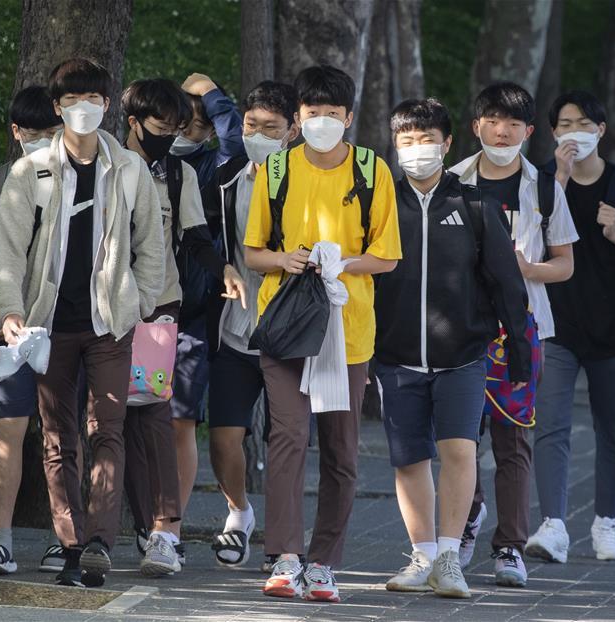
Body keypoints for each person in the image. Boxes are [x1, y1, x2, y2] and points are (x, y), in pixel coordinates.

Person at [0, 58, 166, 588]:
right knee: (57, 437)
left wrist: (140, 303)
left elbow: (150, 248)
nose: (82, 109)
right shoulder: (31, 170)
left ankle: (98, 542)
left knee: (107, 429)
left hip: (109, 323)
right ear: (57, 107)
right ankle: (69, 543)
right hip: (48, 325)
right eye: (71, 101)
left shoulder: (129, 168)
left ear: (107, 105)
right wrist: (12, 311)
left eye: (91, 99)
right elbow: (10, 249)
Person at [243, 64, 402, 602]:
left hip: (348, 327)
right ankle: (285, 555)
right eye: (312, 114)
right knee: (286, 436)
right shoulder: (278, 169)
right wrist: (285, 259)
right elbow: (252, 250)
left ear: (349, 117)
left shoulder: (372, 170)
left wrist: (342, 264)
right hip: (286, 322)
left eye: (332, 114)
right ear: (298, 120)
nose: (322, 122)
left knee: (341, 449)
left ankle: (325, 562)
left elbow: (387, 256)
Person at [377, 98, 532, 599]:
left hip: (464, 354)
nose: (417, 150)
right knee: (409, 459)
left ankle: (449, 556)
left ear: (447, 144)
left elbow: (508, 284)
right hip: (394, 355)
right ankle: (422, 555)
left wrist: (521, 353)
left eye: (427, 140)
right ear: (394, 146)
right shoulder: (379, 205)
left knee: (460, 450)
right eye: (407, 141)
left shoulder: (476, 206)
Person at [449, 82, 578, 587]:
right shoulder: (452, 179)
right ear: (476, 125)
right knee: (459, 435)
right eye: (492, 121)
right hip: (457, 327)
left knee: (513, 438)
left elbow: (565, 265)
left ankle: (509, 546)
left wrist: (524, 268)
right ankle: (464, 521)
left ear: (528, 132)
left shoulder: (543, 187)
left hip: (523, 328)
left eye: (513, 124)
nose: (502, 132)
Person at [526, 91, 615, 564]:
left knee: (613, 428)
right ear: (552, 133)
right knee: (551, 425)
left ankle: (607, 522)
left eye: (583, 123)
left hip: (614, 326)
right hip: (554, 325)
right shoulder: (538, 180)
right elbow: (524, 238)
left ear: (600, 130)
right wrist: (558, 180)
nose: (573, 132)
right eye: (564, 124)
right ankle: (554, 524)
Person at [121, 78, 246, 577]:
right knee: (111, 424)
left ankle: (165, 530)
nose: (173, 134)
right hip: (105, 318)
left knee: (163, 417)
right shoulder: (105, 165)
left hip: (165, 316)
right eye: (165, 125)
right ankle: (124, 526)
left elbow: (195, 238)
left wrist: (225, 270)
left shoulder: (189, 172)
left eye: (182, 125)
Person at [0, 86, 66, 576]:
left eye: (52, 132)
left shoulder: (83, 182)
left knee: (62, 432)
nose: (43, 141)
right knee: (8, 428)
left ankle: (62, 539)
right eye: (34, 134)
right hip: (9, 328)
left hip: (70, 328)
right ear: (16, 133)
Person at [201, 80, 299, 570]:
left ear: (292, 131)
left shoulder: (305, 183)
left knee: (287, 441)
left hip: (290, 333)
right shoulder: (228, 176)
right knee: (223, 437)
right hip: (236, 327)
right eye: (251, 125)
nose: (259, 134)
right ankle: (239, 512)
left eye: (271, 128)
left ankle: (282, 544)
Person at [162, 75, 246, 550]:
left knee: (181, 419)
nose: (184, 132)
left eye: (196, 125)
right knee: (134, 417)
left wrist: (214, 95)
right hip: (144, 311)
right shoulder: (143, 162)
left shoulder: (216, 165)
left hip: (195, 311)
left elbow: (234, 137)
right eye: (179, 122)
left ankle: (169, 527)